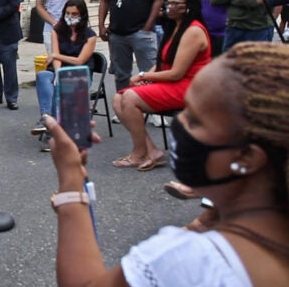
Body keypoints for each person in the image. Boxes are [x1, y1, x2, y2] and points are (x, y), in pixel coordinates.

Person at [45, 41, 289, 285]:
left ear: (247, 158)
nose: (179, 126)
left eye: (194, 120)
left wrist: (71, 182)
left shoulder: (189, 262)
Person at [112, 0, 211, 171]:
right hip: (174, 83)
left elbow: (176, 73)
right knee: (118, 98)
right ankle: (151, 150)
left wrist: (143, 75)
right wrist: (149, 76)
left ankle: (139, 153)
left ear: (188, 6)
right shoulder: (175, 27)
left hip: (190, 87)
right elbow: (162, 62)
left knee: (130, 98)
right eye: (168, 2)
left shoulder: (193, 31)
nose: (169, 6)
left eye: (175, 3)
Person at [30, 0, 96, 144]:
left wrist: (56, 56)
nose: (70, 17)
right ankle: (46, 117)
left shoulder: (90, 35)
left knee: (60, 83)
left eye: (74, 14)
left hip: (79, 73)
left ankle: (52, 130)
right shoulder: (57, 31)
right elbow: (56, 57)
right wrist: (58, 72)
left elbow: (79, 60)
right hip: (61, 69)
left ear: (82, 15)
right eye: (67, 13)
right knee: (43, 75)